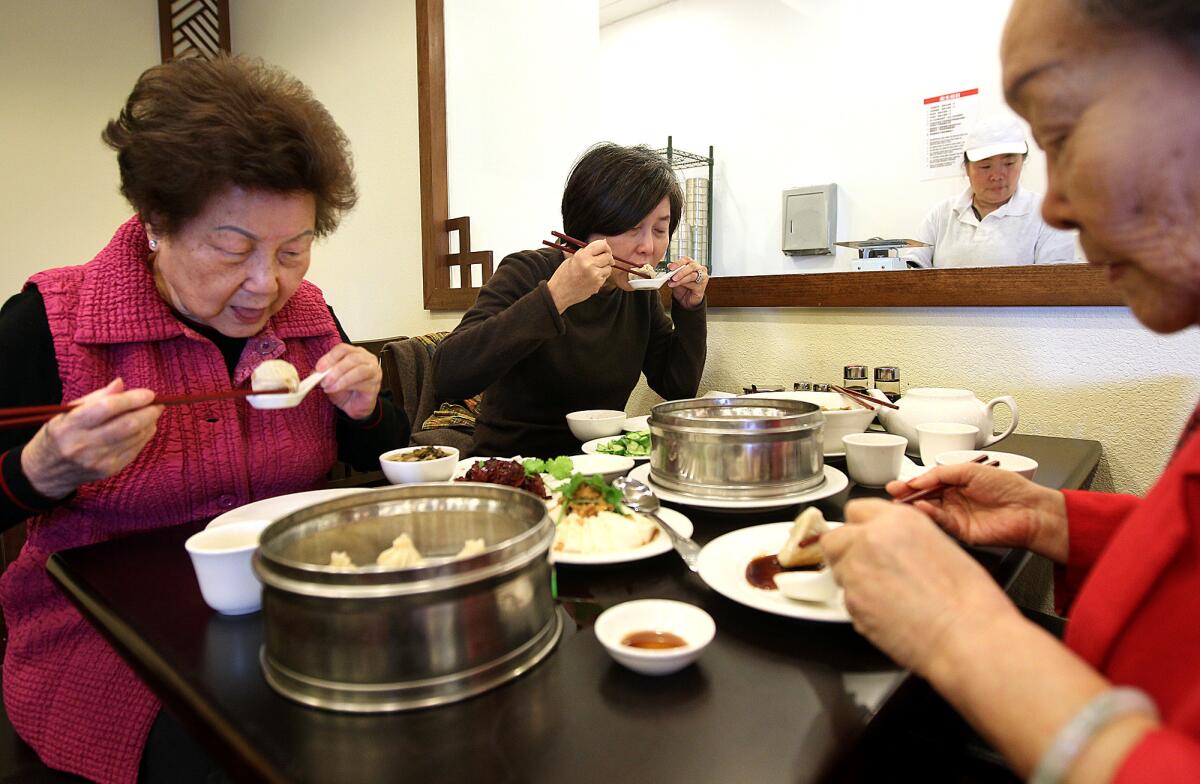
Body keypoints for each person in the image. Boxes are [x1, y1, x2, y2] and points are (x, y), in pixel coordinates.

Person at [0, 56, 409, 783]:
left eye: (293, 249)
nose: (268, 283)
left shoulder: (308, 316)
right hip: (109, 644)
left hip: (295, 613)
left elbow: (377, 449)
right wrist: (39, 472)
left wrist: (369, 406)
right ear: (157, 221)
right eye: (233, 247)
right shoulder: (52, 322)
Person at [823, 0, 1200, 780]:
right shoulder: (939, 214)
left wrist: (960, 629)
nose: (1056, 201)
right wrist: (1057, 516)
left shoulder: (1038, 219)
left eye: (1059, 135)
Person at [433, 143, 708, 457]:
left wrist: (690, 309)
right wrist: (556, 297)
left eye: (660, 229)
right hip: (512, 468)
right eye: (633, 227)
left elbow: (677, 387)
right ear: (587, 225)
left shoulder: (636, 294)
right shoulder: (528, 272)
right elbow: (448, 376)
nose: (648, 246)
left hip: (600, 468)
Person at [903, 115, 1077, 268]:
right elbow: (912, 267)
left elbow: (1058, 285)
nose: (997, 176)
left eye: (1009, 164)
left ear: (1022, 162)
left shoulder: (1049, 215)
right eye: (985, 167)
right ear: (967, 169)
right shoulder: (941, 215)